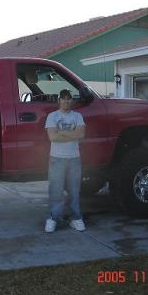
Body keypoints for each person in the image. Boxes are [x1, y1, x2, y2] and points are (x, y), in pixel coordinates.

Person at [44, 89, 86, 233]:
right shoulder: (52, 116)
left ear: (71, 101)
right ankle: (53, 218)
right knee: (56, 191)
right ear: (59, 100)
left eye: (69, 99)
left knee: (74, 190)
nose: (66, 101)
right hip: (57, 158)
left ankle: (76, 218)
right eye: (63, 98)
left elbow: (81, 133)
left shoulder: (78, 116)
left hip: (74, 158)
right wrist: (71, 134)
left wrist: (61, 132)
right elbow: (52, 137)